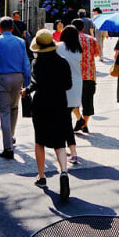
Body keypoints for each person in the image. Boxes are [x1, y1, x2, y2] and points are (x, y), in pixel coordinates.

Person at [28, 29, 72, 199]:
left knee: (40, 140)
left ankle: (42, 177)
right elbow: (68, 85)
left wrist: (27, 90)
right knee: (59, 141)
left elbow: (35, 84)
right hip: (60, 103)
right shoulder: (63, 62)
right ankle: (64, 172)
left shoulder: (37, 63)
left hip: (41, 104)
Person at [0, 16, 31, 160]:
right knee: (14, 108)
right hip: (18, 77)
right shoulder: (21, 42)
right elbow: (26, 63)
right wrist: (27, 82)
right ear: (13, 28)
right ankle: (11, 136)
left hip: (3, 77)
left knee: (4, 111)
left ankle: (7, 147)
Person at [56, 25, 82, 164]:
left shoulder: (58, 47)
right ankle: (66, 148)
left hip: (63, 86)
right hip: (76, 86)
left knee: (65, 121)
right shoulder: (78, 49)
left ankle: (73, 151)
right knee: (65, 118)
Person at [72, 18, 100, 133]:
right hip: (89, 74)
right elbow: (97, 53)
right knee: (88, 101)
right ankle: (85, 124)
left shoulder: (70, 40)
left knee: (72, 100)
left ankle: (79, 119)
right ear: (83, 28)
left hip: (75, 75)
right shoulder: (91, 39)